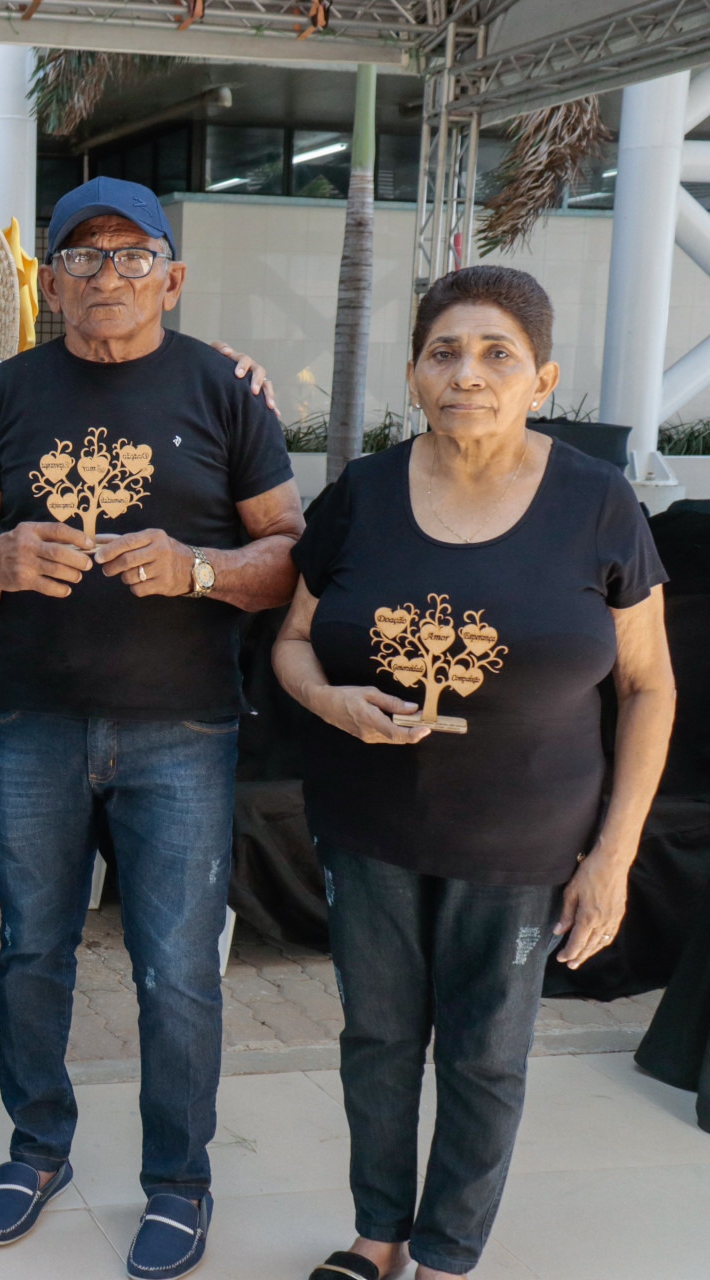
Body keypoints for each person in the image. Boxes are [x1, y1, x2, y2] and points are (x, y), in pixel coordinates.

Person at [274, 266, 674, 1280]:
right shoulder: (361, 495)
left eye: (498, 353)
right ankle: (379, 1233)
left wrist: (614, 855)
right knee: (376, 1038)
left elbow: (648, 686)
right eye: (445, 351)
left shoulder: (597, 505)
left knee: (485, 1054)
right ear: (413, 375)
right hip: (370, 828)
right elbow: (291, 642)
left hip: (527, 841)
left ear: (541, 377)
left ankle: (447, 1252)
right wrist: (330, 699)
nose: (469, 373)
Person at [0, 175, 302, 1276]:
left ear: (173, 277)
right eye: (84, 257)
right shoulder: (6, 394)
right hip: (28, 722)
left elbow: (289, 554)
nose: (109, 276)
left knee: (179, 969)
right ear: (49, 281)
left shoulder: (225, 391)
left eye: (133, 255)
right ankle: (36, 1145)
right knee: (31, 951)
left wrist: (198, 568)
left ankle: (179, 1178)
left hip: (182, 728)